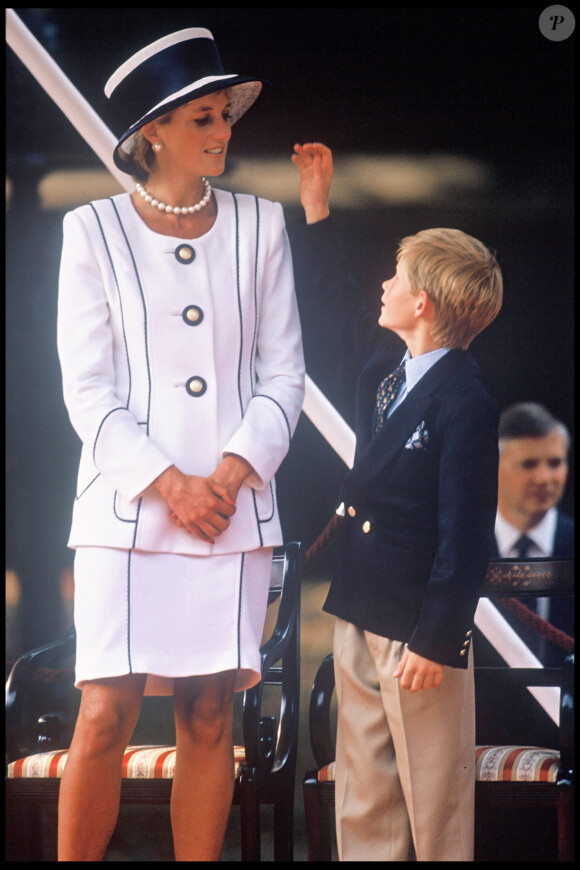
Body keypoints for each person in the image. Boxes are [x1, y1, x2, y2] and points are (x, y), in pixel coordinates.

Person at [55, 28, 305, 861]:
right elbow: (86, 393)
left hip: (231, 514)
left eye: (224, 115)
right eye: (202, 117)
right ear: (151, 131)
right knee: (103, 713)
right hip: (129, 515)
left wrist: (228, 477)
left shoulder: (263, 224)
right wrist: (172, 484)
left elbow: (285, 378)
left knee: (209, 714)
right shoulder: (91, 231)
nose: (222, 131)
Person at [289, 142, 503, 861]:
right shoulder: (389, 367)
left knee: (435, 801)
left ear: (424, 304)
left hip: (417, 627)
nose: (383, 284)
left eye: (397, 276)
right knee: (365, 791)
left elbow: (465, 533)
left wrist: (438, 639)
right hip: (358, 604)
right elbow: (336, 302)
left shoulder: (465, 401)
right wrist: (317, 207)